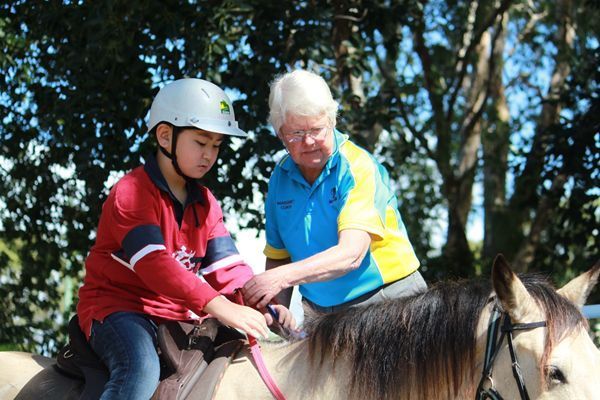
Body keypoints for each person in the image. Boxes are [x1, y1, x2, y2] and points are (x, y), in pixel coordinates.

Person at [76, 78, 295, 400]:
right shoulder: (131, 192)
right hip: (118, 309)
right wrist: (221, 306)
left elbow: (228, 268)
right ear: (165, 136)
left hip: (180, 314)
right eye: (201, 142)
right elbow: (155, 265)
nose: (209, 154)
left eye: (217, 145)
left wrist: (263, 304)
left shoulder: (206, 203)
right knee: (140, 369)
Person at [243, 69, 426, 314]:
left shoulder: (358, 166)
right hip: (321, 313)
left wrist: (281, 277)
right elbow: (279, 254)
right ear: (280, 134)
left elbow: (351, 254)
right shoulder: (279, 179)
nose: (309, 142)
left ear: (332, 120)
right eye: (296, 133)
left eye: (317, 129)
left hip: (389, 299)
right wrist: (277, 308)